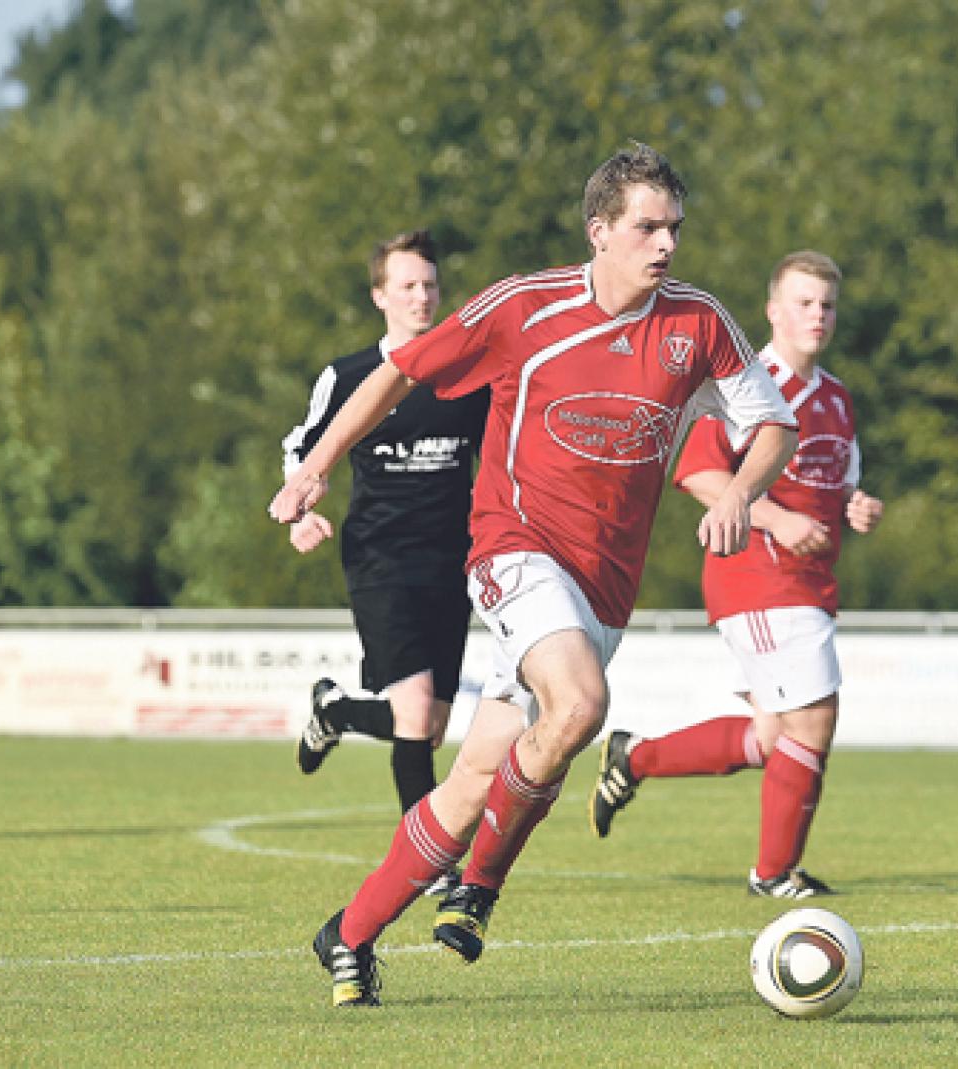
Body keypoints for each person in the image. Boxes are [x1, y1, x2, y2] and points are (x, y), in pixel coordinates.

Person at [268, 143, 799, 1007]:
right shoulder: (525, 304)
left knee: (476, 778)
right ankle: (479, 887)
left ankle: (349, 932)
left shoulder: (698, 322)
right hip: (514, 546)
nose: (667, 243)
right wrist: (316, 466)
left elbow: (772, 424)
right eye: (647, 227)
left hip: (605, 584)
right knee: (581, 705)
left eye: (674, 227)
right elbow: (399, 371)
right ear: (599, 231)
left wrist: (741, 489)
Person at [588, 250, 884, 899]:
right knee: (814, 719)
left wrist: (856, 505)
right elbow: (698, 472)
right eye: (803, 303)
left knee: (774, 736)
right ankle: (773, 874)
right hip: (759, 577)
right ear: (774, 310)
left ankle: (635, 756)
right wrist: (775, 519)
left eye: (827, 305)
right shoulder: (749, 386)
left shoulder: (836, 397)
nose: (818, 315)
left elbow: (837, 483)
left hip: (808, 584)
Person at [281, 229, 488, 837]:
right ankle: (426, 862)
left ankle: (336, 712)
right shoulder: (348, 375)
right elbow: (301, 448)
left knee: (429, 727)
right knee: (416, 711)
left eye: (430, 285)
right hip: (380, 556)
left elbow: (500, 461)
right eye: (407, 286)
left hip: (451, 562)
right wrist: (300, 511)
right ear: (380, 296)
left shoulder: (468, 377)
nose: (421, 297)